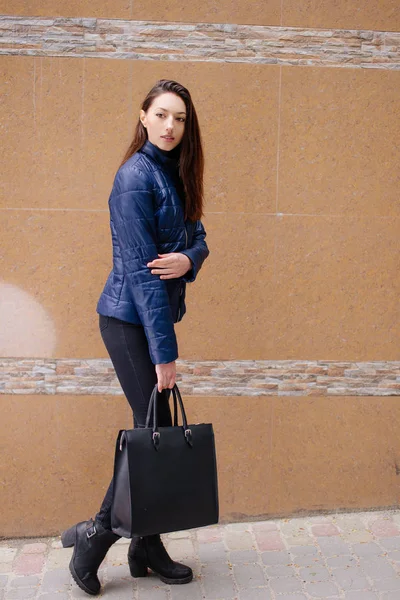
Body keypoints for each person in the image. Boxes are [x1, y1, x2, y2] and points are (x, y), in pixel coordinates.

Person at [61, 79, 210, 596]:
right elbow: (145, 277)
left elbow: (200, 238)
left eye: (181, 119)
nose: (171, 127)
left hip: (151, 319)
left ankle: (145, 544)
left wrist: (189, 259)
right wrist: (164, 356)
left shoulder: (180, 172)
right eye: (163, 115)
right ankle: (95, 536)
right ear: (142, 116)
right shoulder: (133, 179)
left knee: (154, 431)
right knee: (150, 432)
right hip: (128, 321)